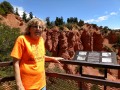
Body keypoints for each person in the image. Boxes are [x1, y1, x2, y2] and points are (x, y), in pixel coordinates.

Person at [10, 18, 64, 90]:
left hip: (42, 84)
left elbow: (40, 56)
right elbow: (16, 63)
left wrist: (52, 58)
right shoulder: (22, 39)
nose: (38, 29)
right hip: (27, 86)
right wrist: (19, 85)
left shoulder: (41, 40)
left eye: (40, 27)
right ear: (29, 29)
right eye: (35, 26)